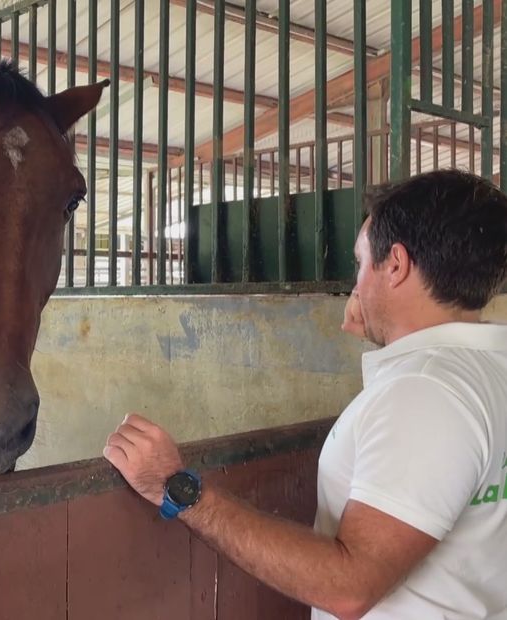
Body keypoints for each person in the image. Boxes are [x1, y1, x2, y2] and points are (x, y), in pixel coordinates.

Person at [104, 169, 507, 619]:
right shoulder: (488, 369)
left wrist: (181, 490)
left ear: (395, 264)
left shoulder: (424, 392)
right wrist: (391, 333)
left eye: (360, 263)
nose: (356, 286)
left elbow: (350, 587)